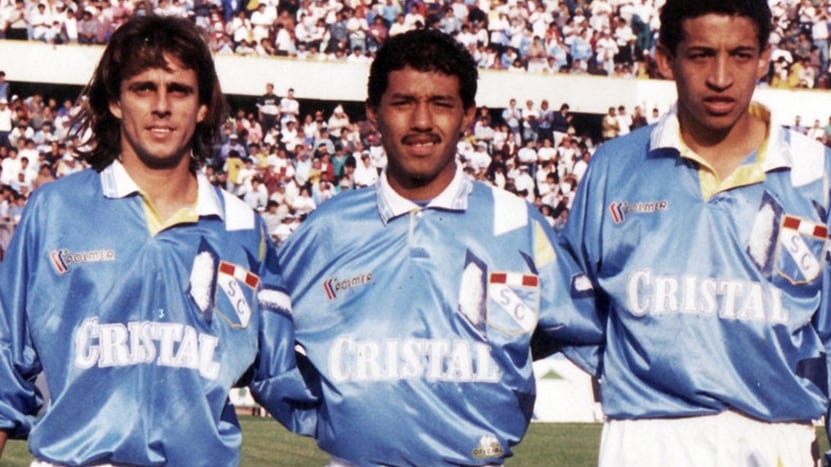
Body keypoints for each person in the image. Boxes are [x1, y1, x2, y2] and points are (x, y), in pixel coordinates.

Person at [276, 28, 601, 466]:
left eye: (441, 104)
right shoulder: (329, 227)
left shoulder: (516, 222)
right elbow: (268, 333)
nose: (422, 121)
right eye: (403, 102)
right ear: (373, 113)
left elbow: (576, 327)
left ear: (468, 116)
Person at [0, 15, 313, 466]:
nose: (161, 105)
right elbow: (5, 362)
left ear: (203, 105)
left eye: (179, 90)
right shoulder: (55, 210)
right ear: (115, 101)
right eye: (144, 88)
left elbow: (279, 373)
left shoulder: (244, 229)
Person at [562, 1, 831, 466]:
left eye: (741, 55)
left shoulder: (817, 173)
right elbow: (579, 307)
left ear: (765, 58)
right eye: (701, 55)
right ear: (666, 58)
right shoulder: (615, 166)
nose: (721, 77)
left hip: (778, 437)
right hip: (646, 437)